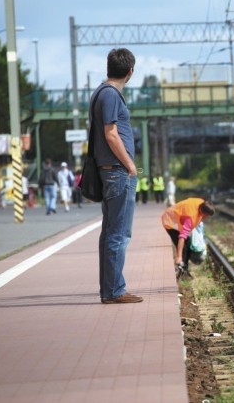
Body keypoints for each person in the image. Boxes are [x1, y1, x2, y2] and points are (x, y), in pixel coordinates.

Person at [91, 47, 142, 304]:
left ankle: (109, 289)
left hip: (110, 171)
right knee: (119, 233)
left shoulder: (101, 92)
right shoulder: (111, 95)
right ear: (130, 72)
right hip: (117, 172)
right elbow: (111, 134)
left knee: (111, 232)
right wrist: (130, 165)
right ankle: (115, 290)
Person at [161, 198, 215, 279]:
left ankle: (184, 270)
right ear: (203, 212)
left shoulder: (202, 203)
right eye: (207, 216)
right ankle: (182, 272)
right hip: (171, 222)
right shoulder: (190, 218)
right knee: (183, 249)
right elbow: (181, 237)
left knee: (188, 244)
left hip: (179, 218)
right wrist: (178, 256)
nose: (207, 218)